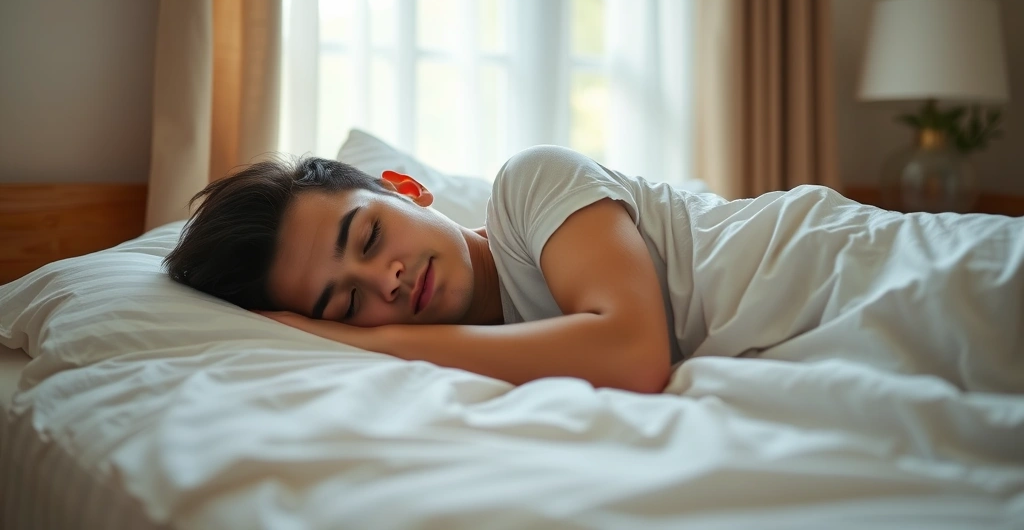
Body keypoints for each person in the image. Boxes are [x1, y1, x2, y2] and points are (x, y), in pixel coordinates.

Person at [164, 146, 1024, 395]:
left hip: (880, 266)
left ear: (403, 186)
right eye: (344, 303)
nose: (385, 280)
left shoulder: (527, 186)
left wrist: (331, 334)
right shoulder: (489, 352)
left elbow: (632, 355)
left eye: (369, 236)